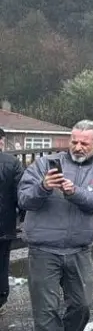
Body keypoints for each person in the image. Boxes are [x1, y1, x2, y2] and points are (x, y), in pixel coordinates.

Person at [18, 120, 93, 331]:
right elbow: (24, 199)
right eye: (74, 141)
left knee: (82, 305)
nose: (78, 147)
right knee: (46, 309)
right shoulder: (42, 165)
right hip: (43, 248)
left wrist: (74, 192)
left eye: (84, 142)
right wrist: (44, 187)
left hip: (78, 249)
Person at [0, 128, 23, 311]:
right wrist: (24, 218)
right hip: (4, 225)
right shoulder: (12, 163)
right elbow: (21, 195)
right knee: (1, 263)